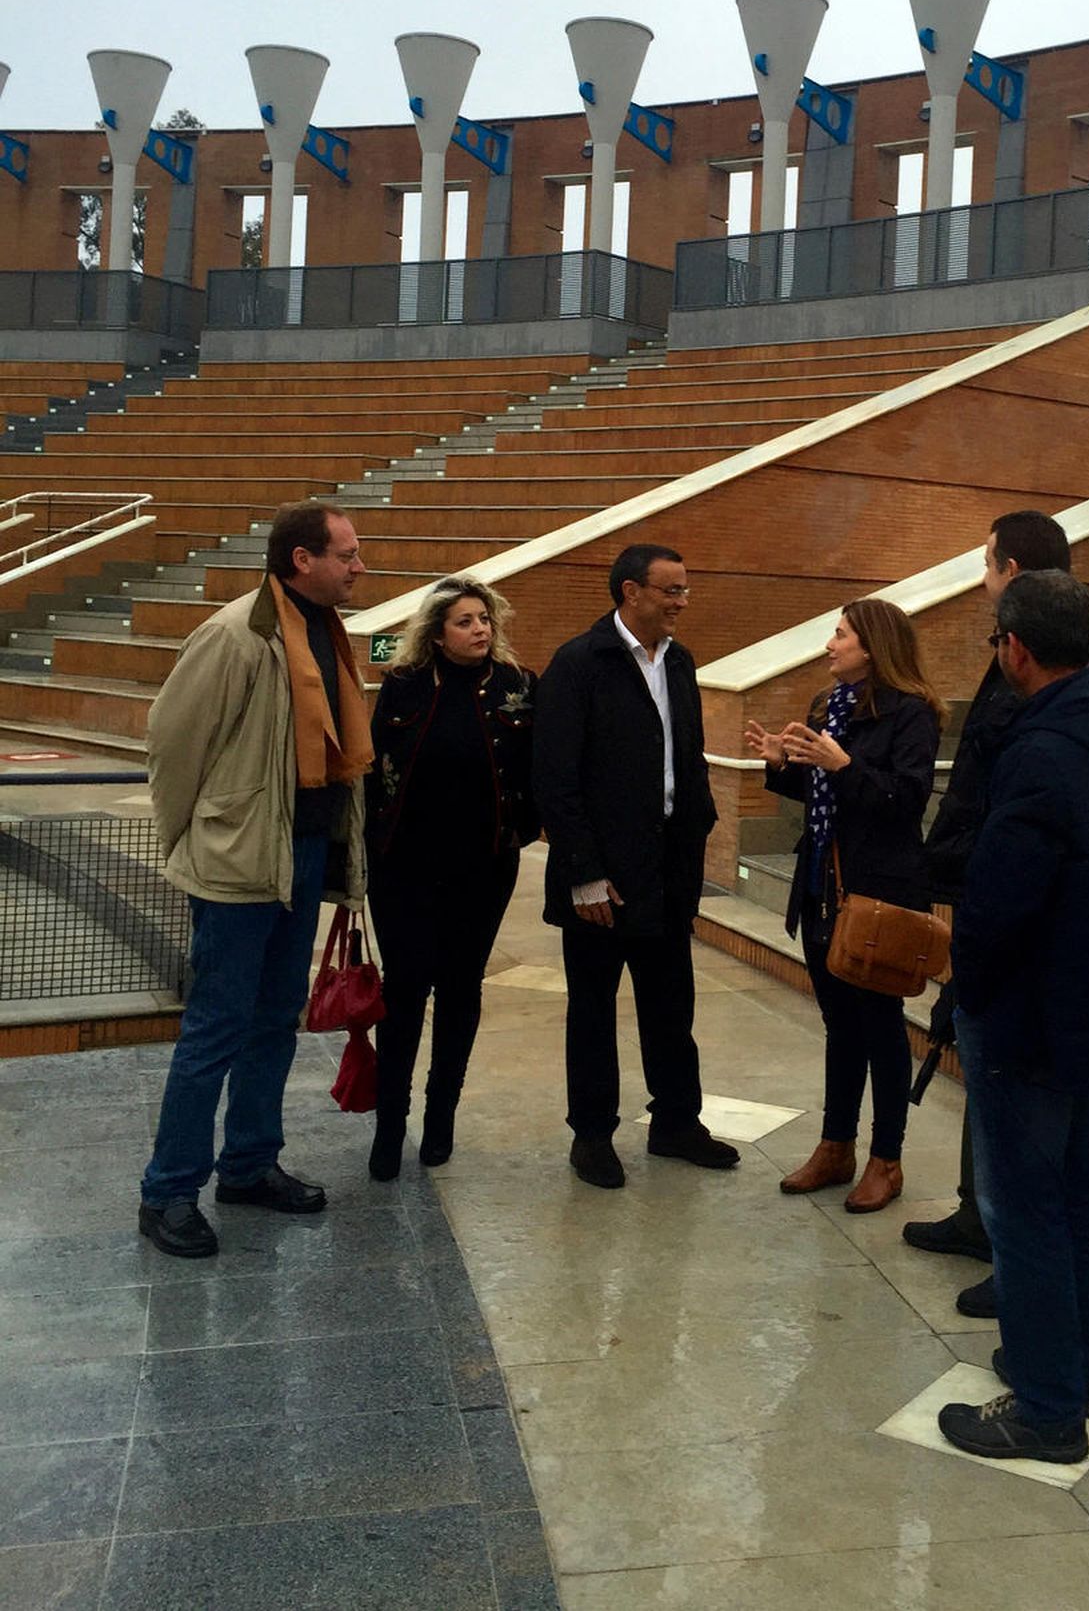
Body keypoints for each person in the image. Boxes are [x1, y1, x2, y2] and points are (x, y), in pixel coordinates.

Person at [936, 571, 1089, 1465]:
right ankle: (1082, 1369)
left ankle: (1046, 1406)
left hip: (1037, 1017)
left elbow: (1000, 901)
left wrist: (971, 988)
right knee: (1080, 1188)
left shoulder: (1038, 750)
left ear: (1016, 649)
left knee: (1030, 1206)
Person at [137, 500, 372, 1258]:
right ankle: (169, 1190)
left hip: (300, 854)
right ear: (302, 559)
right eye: (347, 554)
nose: (358, 566)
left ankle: (247, 1164)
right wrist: (192, 841)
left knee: (275, 1020)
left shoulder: (325, 632)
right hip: (240, 862)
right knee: (215, 1027)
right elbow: (173, 743)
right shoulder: (237, 633)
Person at [906, 510, 1089, 1287]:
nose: (980, 570)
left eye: (987, 558)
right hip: (1001, 903)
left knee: (1033, 1135)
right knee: (989, 1081)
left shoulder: (1057, 688)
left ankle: (1016, 1275)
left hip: (1029, 936)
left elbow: (1018, 808)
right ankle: (977, 1215)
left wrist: (975, 908)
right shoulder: (1053, 670)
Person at [533, 542, 738, 1188]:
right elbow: (556, 780)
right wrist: (583, 872)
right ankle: (592, 1135)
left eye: (685, 589)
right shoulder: (578, 663)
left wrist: (699, 824)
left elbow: (689, 756)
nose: (681, 601)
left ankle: (677, 1121)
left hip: (667, 870)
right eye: (670, 590)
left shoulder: (680, 662)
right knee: (593, 1008)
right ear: (630, 592)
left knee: (671, 1004)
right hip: (603, 878)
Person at [745, 598, 943, 1215]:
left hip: (879, 893)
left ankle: (888, 1159)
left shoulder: (913, 713)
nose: (830, 645)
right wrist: (784, 766)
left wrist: (844, 763)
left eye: (840, 635)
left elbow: (905, 801)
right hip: (822, 886)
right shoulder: (827, 706)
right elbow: (822, 795)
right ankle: (836, 1146)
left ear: (873, 646)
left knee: (881, 1030)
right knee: (839, 1026)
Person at [363, 577, 539, 1180]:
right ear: (437, 635)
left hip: (483, 868)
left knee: (461, 989)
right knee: (405, 990)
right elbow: (374, 771)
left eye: (484, 619)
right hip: (404, 868)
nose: (480, 630)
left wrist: (528, 826)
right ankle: (390, 1127)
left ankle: (441, 1121)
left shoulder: (517, 688)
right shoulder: (404, 686)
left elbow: (539, 767)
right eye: (465, 622)